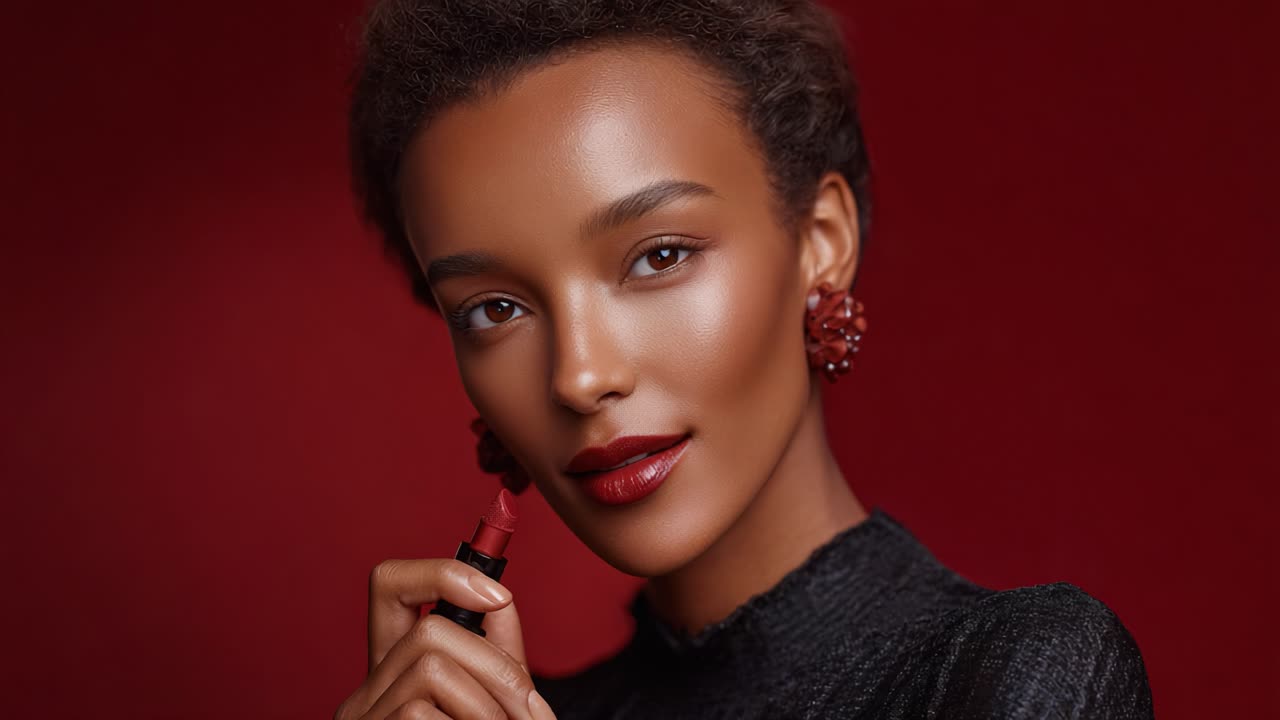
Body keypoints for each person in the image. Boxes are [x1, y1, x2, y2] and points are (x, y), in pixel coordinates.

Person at [336, 1, 1154, 718]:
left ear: (821, 245)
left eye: (658, 256)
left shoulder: (1019, 670)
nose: (580, 377)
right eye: (495, 309)